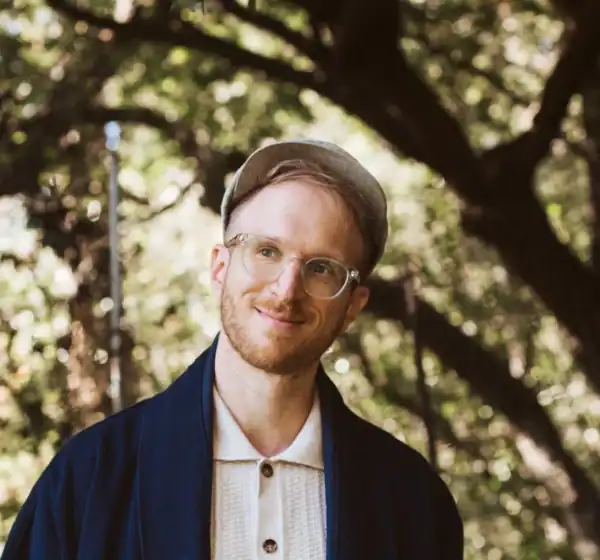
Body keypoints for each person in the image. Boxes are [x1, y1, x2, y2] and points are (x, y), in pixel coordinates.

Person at [1, 139, 464, 560]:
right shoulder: (88, 479)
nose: (286, 289)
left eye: (322, 268)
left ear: (352, 307)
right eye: (266, 251)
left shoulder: (413, 502)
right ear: (220, 267)